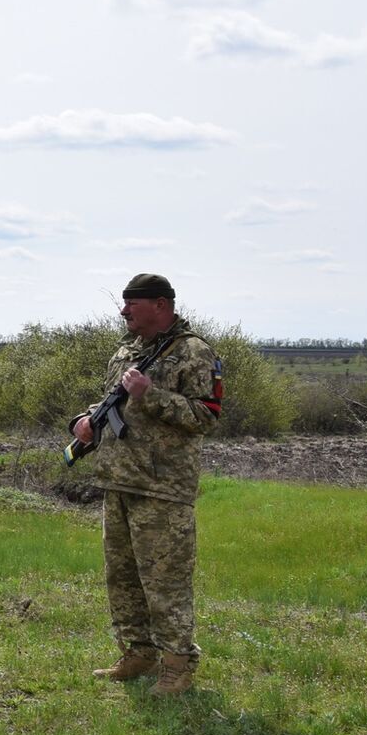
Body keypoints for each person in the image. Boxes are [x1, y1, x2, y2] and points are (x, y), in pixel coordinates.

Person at [70, 274, 223, 696]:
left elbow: (206, 416)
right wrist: (86, 421)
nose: (123, 312)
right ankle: (137, 653)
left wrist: (150, 394)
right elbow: (111, 402)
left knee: (166, 582)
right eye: (123, 304)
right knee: (122, 578)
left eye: (131, 305)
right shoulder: (126, 351)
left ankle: (177, 667)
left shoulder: (194, 352)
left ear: (160, 305)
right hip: (118, 481)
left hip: (162, 488)